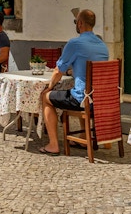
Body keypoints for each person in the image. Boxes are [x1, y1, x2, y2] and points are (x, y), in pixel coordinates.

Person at [39, 9, 108, 156]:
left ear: (81, 23)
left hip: (83, 100)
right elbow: (89, 69)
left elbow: (58, 71)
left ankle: (53, 144)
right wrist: (73, 72)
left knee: (46, 97)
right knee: (79, 89)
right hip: (101, 99)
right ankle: (83, 137)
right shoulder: (102, 45)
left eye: (76, 21)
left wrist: (49, 88)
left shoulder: (75, 43)